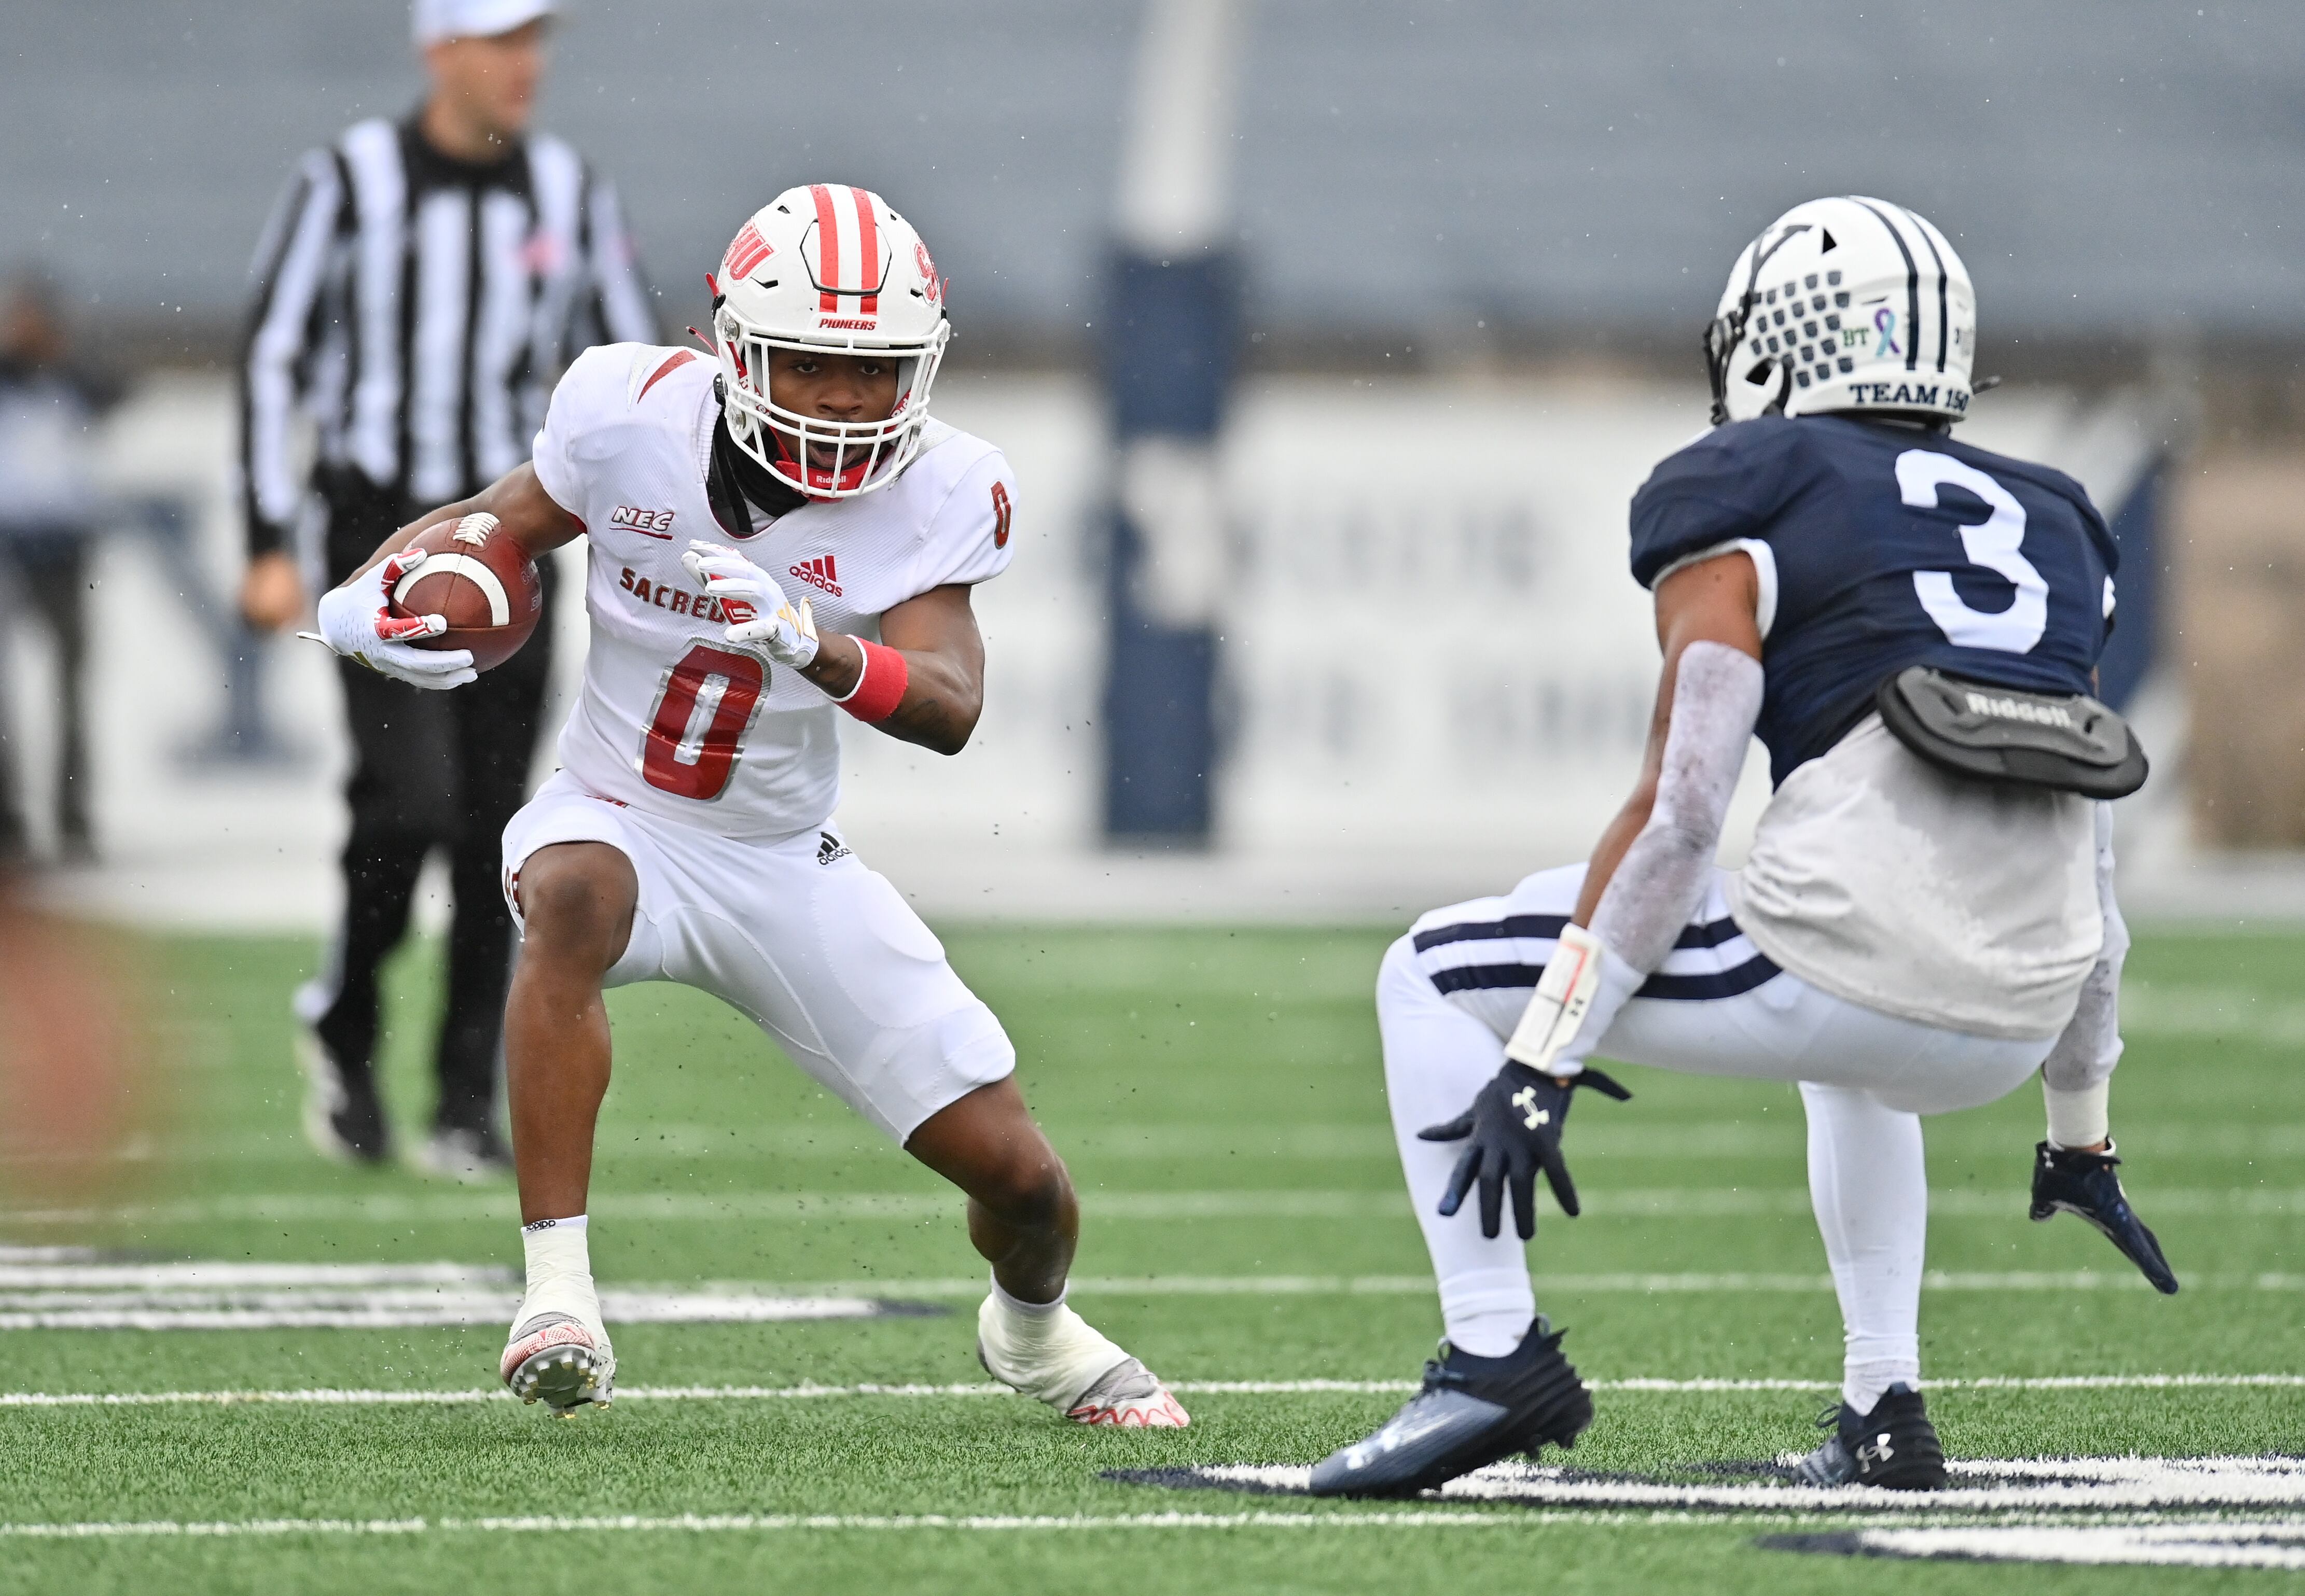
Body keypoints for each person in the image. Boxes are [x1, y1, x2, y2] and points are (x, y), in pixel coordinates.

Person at [1309, 196, 2171, 1499]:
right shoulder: (2055, 520)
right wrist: (2078, 1127)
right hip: (2011, 1016)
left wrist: (1544, 1052)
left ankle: (1490, 1358)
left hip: (1835, 961)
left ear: (1771, 345)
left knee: (1425, 970)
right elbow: (2085, 838)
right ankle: (1883, 1407)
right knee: (1854, 1065)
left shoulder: (1740, 485)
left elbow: (1683, 807)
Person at [303, 184, 1189, 1429]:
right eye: (813, 363)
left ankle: (1033, 1334)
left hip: (779, 857)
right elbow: (496, 525)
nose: (840, 397)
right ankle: (555, 1293)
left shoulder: (942, 486)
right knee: (569, 895)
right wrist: (357, 602)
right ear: (735, 349)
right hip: (614, 808)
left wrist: (818, 649)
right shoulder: (625, 414)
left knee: (1025, 1183)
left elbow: (947, 703)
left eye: (871, 371)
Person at [237, 0, 657, 1178]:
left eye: (535, 39)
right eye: (499, 39)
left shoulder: (570, 193)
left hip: (515, 530)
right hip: (379, 527)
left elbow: (627, 366)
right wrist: (267, 534)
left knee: (499, 827)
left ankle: (463, 1095)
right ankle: (346, 1024)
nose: (524, 64)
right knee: (406, 803)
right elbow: (273, 353)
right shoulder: (349, 184)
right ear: (441, 52)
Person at [0, 272, 118, 865]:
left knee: (70, 688)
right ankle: (10, 818)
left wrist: (56, 356)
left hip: (63, 546)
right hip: (9, 541)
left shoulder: (69, 381)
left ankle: (73, 817)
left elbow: (115, 390)